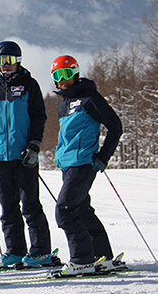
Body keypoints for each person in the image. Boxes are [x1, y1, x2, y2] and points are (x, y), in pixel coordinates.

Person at [0, 41, 55, 269]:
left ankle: (40, 252)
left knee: (30, 205)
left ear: (18, 61)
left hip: (24, 156)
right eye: (1, 61)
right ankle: (15, 251)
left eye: (9, 61)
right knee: (8, 207)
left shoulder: (29, 85)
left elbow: (39, 117)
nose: (5, 65)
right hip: (1, 156)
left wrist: (34, 146)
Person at [51, 55, 123, 275]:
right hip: (68, 165)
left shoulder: (90, 99)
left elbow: (115, 126)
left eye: (66, 74)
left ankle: (82, 260)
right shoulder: (64, 106)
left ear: (75, 73)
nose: (62, 80)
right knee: (81, 210)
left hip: (83, 163)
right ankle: (102, 256)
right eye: (57, 75)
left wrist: (103, 156)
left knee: (65, 211)